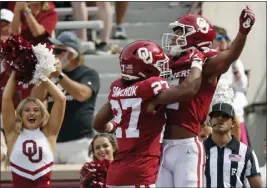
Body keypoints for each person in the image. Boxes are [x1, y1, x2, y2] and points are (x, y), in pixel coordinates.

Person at [157, 7, 255, 187]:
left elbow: (230, 55)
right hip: (163, 144)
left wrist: (243, 31)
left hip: (186, 147)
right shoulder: (170, 62)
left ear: (195, 36)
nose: (173, 37)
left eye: (180, 32)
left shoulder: (205, 61)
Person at [93, 40, 206, 187]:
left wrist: (115, 126)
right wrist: (197, 62)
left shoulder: (118, 88)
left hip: (116, 172)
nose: (162, 67)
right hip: (141, 170)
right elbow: (188, 90)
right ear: (144, 67)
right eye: (158, 64)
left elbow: (98, 124)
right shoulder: (149, 88)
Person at [31, 31, 100, 164]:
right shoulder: (50, 75)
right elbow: (35, 99)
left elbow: (82, 95)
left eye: (58, 51)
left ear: (71, 54)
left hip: (80, 142)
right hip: (53, 141)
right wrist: (48, 75)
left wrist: (60, 75)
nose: (53, 54)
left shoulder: (88, 74)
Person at [2, 70, 66, 187]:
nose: (32, 113)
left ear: (42, 115)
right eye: (27, 110)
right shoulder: (12, 134)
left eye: (36, 110)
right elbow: (6, 99)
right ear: (20, 115)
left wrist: (42, 75)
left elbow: (61, 99)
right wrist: (15, 72)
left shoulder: (49, 134)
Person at [204, 102, 262, 188]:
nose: (220, 118)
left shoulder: (246, 152)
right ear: (209, 121)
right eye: (216, 115)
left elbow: (257, 186)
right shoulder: (200, 149)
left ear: (233, 123)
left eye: (225, 116)